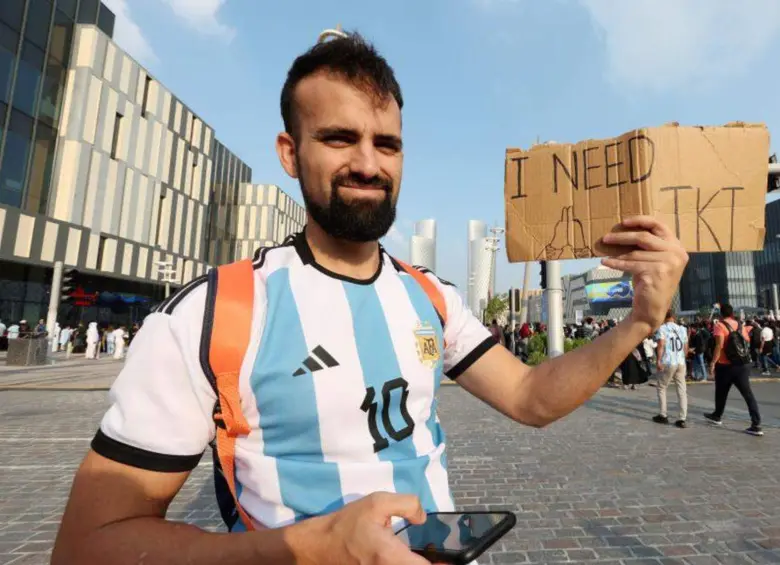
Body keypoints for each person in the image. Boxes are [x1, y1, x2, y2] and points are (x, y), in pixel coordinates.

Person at [52, 32, 688, 565]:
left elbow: (531, 397)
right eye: (338, 138)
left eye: (386, 144)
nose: (367, 163)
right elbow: (89, 544)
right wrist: (313, 543)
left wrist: (639, 319)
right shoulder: (211, 312)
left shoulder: (429, 296)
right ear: (289, 153)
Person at [705, 304, 763, 436]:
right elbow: (746, 341)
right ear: (731, 313)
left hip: (725, 365)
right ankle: (756, 424)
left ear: (721, 313)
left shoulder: (719, 325)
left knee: (721, 392)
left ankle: (717, 415)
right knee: (748, 394)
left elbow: (719, 346)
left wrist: (713, 362)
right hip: (742, 364)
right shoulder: (740, 325)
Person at [652, 310, 688, 428]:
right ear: (674, 317)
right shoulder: (682, 329)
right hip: (680, 361)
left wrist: (658, 360)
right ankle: (682, 418)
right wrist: (683, 357)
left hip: (669, 361)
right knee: (681, 390)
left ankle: (663, 414)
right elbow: (685, 347)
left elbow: (661, 345)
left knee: (662, 387)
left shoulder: (662, 329)